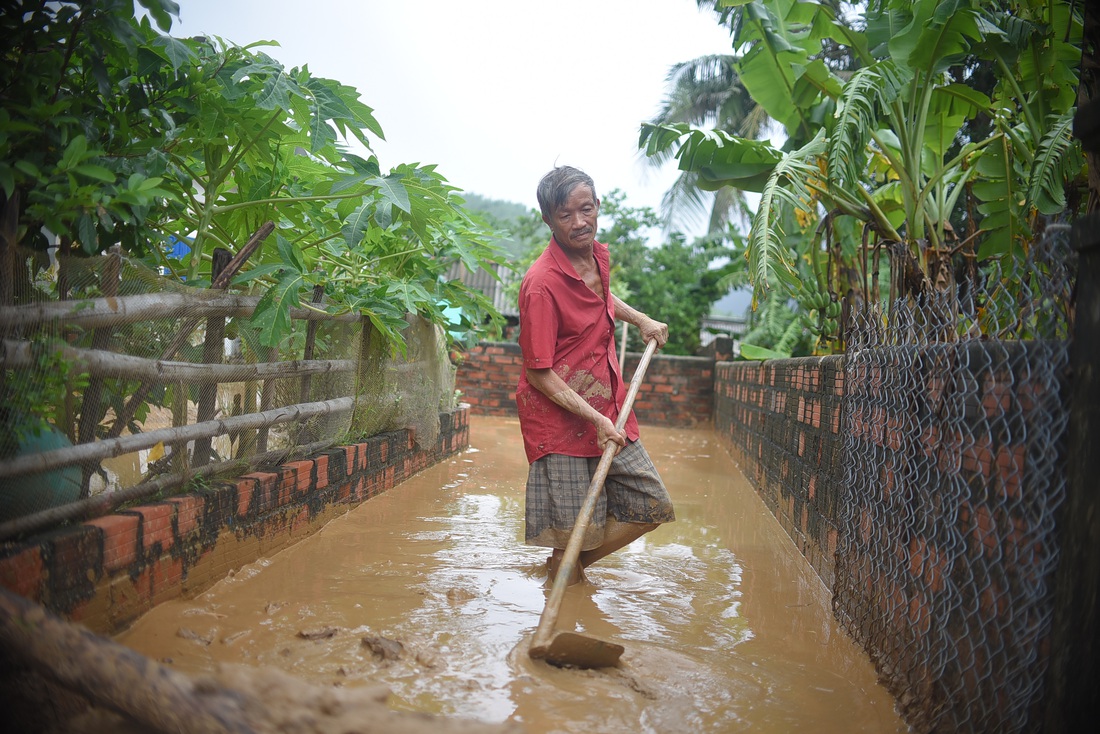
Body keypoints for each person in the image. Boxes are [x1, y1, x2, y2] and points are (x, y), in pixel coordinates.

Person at [516, 165, 675, 586]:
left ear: (597, 206)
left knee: (653, 504)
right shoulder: (540, 285)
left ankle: (567, 570)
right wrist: (596, 422)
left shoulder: (597, 256)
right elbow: (539, 375)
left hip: (609, 403)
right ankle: (564, 578)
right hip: (561, 418)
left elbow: (600, 294)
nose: (579, 222)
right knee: (575, 534)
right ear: (548, 220)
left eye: (586, 209)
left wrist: (640, 319)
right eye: (565, 215)